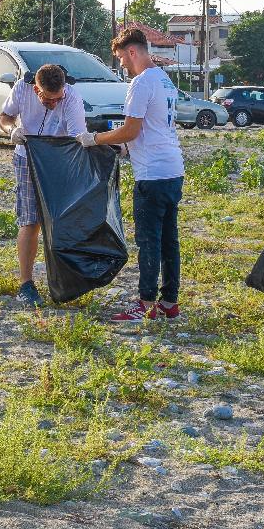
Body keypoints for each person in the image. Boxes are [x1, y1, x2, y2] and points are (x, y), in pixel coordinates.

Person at [80, 27, 185, 322]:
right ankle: (169, 301)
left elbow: (131, 129)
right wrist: (127, 147)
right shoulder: (165, 81)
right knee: (169, 239)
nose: (121, 65)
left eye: (121, 58)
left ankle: (145, 302)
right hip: (173, 168)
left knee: (149, 240)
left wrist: (96, 139)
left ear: (133, 52)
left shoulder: (140, 84)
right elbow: (152, 128)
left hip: (151, 173)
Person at [0, 62, 87, 307]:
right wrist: (11, 130)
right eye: (49, 100)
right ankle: (26, 284)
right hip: (26, 159)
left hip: (58, 162)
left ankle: (63, 279)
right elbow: (4, 116)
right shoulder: (21, 88)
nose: (54, 104)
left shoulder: (71, 96)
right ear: (36, 89)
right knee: (30, 220)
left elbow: (78, 138)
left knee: (58, 219)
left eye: (58, 99)